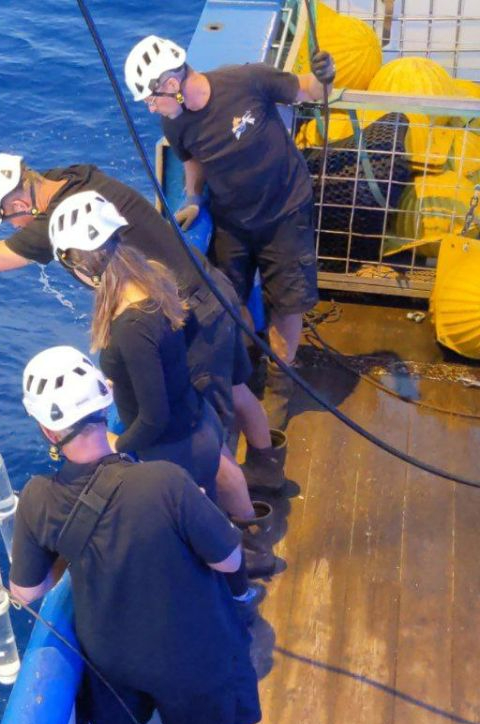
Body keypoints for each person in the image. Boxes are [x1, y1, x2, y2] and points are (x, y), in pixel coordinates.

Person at [0, 154, 287, 492]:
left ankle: (240, 532)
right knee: (236, 387)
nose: (15, 227)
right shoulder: (69, 178)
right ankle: (267, 463)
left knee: (205, 438)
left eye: (8, 219)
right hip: (210, 285)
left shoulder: (51, 229)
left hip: (186, 320)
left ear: (18, 206)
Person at [9, 345, 259, 724]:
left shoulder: (37, 499)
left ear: (48, 430)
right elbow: (229, 560)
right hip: (192, 654)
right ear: (105, 403)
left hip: (113, 661)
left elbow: (27, 591)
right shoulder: (164, 481)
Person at [47, 190, 285, 563]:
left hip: (176, 448)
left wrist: (117, 444)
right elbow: (159, 358)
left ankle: (238, 579)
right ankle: (250, 550)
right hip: (198, 421)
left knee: (193, 533)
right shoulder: (153, 278)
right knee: (214, 503)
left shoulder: (130, 326)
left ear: (82, 268)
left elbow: (154, 417)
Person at [126, 35, 337, 430]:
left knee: (288, 302)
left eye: (152, 97)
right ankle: (245, 365)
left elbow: (308, 88)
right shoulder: (176, 124)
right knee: (227, 295)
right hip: (232, 221)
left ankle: (280, 382)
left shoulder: (247, 80)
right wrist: (192, 198)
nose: (152, 107)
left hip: (285, 212)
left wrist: (326, 76)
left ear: (172, 84)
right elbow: (192, 162)